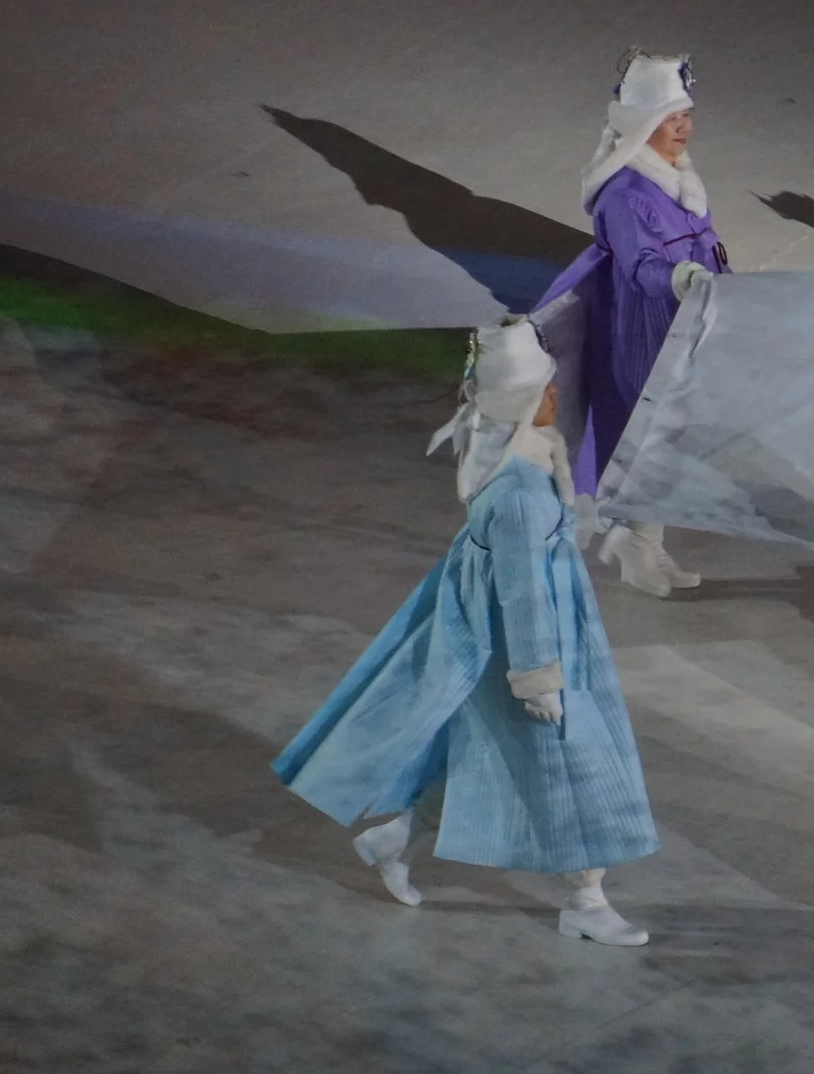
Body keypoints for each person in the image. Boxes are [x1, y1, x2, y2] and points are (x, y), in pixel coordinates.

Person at [272, 320, 659, 945]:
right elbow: (525, 592)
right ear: (525, 399)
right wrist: (539, 678)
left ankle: (394, 837)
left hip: (536, 638)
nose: (558, 396)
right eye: (548, 388)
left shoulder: (515, 463)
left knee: (501, 756)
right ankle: (584, 901)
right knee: (576, 766)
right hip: (533, 649)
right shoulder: (517, 493)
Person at [534, 49, 727, 597]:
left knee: (668, 437)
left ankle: (641, 539)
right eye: (672, 118)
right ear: (645, 123)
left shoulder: (676, 179)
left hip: (682, 321)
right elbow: (643, 268)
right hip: (643, 328)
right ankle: (633, 538)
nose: (684, 127)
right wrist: (682, 277)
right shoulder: (625, 194)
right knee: (648, 435)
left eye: (686, 115)